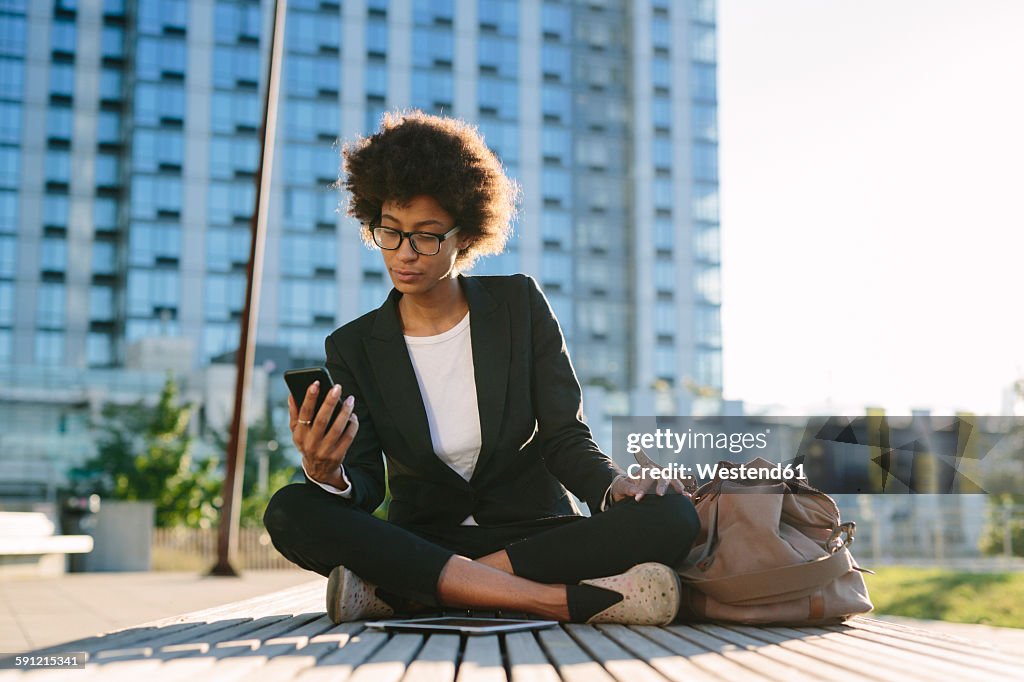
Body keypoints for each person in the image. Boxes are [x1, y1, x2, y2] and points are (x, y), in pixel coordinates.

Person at [264, 111, 700, 625]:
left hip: (533, 536)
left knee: (672, 513)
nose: (405, 254)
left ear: (465, 235)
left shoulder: (519, 305)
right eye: (390, 232)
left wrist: (612, 486)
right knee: (291, 509)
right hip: (425, 539)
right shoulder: (353, 346)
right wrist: (326, 472)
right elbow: (366, 482)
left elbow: (564, 437)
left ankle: (417, 596)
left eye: (426, 236)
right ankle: (554, 600)